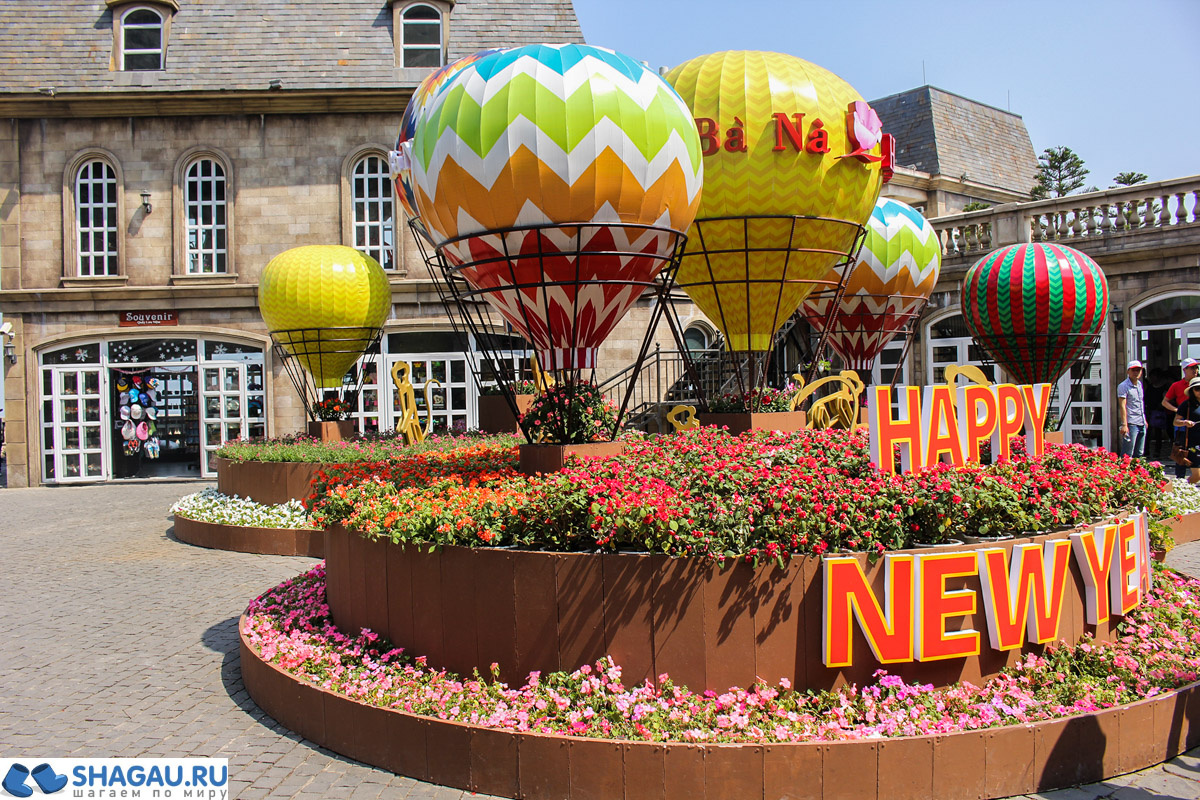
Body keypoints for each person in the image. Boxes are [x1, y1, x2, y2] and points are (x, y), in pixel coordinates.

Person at [1163, 358, 1200, 478]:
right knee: (1181, 450)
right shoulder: (1177, 385)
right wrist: (1176, 410)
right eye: (1192, 368)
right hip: (1184, 420)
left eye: (1196, 367)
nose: (1195, 370)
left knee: (1196, 452)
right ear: (1185, 370)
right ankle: (1180, 479)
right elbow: (1165, 402)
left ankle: (1193, 476)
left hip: (1196, 420)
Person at [1172, 376, 1200, 484]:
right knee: (1197, 475)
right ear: (1192, 391)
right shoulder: (1186, 405)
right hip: (1193, 444)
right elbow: (1175, 422)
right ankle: (1181, 491)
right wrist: (1185, 422)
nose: (1199, 391)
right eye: (1197, 389)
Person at [1117, 359, 1146, 459]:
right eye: (1133, 370)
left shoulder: (1139, 385)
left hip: (1141, 421)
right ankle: (1123, 473)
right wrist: (1124, 424)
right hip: (1131, 422)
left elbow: (1140, 403)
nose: (1136, 372)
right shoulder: (1123, 386)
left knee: (1139, 452)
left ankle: (1137, 473)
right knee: (1128, 452)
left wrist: (1144, 419)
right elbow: (1122, 405)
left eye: (1138, 370)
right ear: (1128, 371)